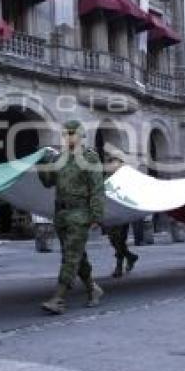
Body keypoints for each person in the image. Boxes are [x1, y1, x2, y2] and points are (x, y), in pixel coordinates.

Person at [38, 120, 104, 314]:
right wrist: (44, 164)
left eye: (72, 133)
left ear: (81, 136)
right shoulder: (60, 158)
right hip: (62, 214)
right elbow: (48, 183)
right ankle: (93, 289)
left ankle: (58, 298)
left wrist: (96, 216)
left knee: (70, 256)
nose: (68, 137)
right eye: (65, 134)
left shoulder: (90, 158)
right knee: (76, 255)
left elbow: (97, 189)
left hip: (80, 214)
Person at [102, 147, 138, 278]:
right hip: (110, 213)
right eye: (111, 161)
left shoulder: (126, 177)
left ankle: (119, 266)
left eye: (115, 161)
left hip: (122, 213)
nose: (112, 163)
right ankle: (131, 256)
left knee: (120, 239)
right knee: (113, 240)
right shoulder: (107, 176)